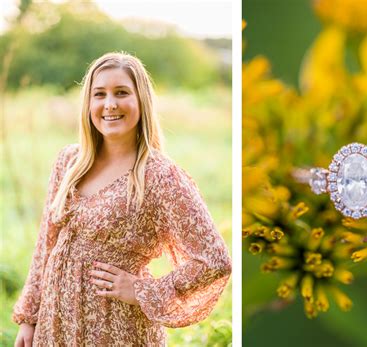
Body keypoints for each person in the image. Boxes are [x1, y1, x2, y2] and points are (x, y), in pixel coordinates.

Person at [12, 52, 232, 346]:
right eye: (99, 94)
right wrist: (29, 318)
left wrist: (142, 290)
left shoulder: (160, 177)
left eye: (121, 93)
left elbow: (215, 260)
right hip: (55, 325)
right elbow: (46, 245)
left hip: (116, 329)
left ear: (141, 101)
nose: (110, 104)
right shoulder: (69, 162)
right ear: (88, 104)